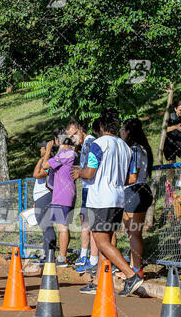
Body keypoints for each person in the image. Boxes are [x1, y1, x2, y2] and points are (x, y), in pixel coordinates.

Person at [72, 108, 143, 296]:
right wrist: (115, 180)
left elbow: (89, 173)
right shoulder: (126, 147)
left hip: (101, 198)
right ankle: (98, 281)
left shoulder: (98, 144)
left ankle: (130, 275)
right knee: (106, 240)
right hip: (118, 198)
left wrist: (79, 172)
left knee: (101, 241)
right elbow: (133, 177)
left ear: (102, 126)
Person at [120, 118, 153, 278]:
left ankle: (136, 269)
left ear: (128, 132)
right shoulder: (143, 147)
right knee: (134, 232)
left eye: (123, 129)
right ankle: (135, 267)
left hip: (134, 190)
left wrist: (116, 182)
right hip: (142, 189)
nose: (121, 132)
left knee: (133, 233)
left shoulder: (133, 149)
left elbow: (132, 177)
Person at [65, 119, 98, 274]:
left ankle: (92, 259)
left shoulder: (90, 143)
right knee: (85, 221)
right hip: (87, 188)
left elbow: (92, 169)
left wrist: (80, 172)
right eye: (71, 138)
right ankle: (86, 256)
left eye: (74, 135)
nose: (73, 140)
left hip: (91, 188)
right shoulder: (84, 145)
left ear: (80, 129)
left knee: (89, 224)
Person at [42, 131, 77, 267]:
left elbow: (45, 166)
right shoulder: (69, 153)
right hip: (65, 194)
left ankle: (62, 258)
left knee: (62, 227)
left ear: (58, 140)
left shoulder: (65, 153)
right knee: (63, 226)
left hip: (62, 196)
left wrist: (48, 150)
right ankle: (62, 256)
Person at [32, 140, 56, 264]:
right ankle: (46, 253)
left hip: (46, 196)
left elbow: (37, 174)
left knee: (47, 226)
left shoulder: (50, 162)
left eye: (42, 148)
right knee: (44, 227)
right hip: (40, 197)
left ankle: (50, 255)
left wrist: (44, 156)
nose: (40, 150)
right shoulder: (45, 161)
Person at [164, 100, 181, 186]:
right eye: (180, 110)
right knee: (171, 167)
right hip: (169, 145)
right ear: (175, 109)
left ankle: (179, 181)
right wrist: (176, 127)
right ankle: (169, 188)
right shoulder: (170, 117)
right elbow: (164, 130)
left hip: (179, 143)